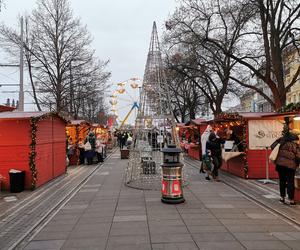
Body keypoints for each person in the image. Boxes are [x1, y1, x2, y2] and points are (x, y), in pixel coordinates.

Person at [271, 132, 300, 205]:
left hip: (280, 165)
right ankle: (291, 200)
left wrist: (278, 140)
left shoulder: (281, 143)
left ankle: (282, 198)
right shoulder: (295, 145)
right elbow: (298, 156)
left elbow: (272, 146)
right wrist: (297, 164)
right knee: (291, 182)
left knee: (282, 181)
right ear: (293, 139)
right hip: (291, 166)